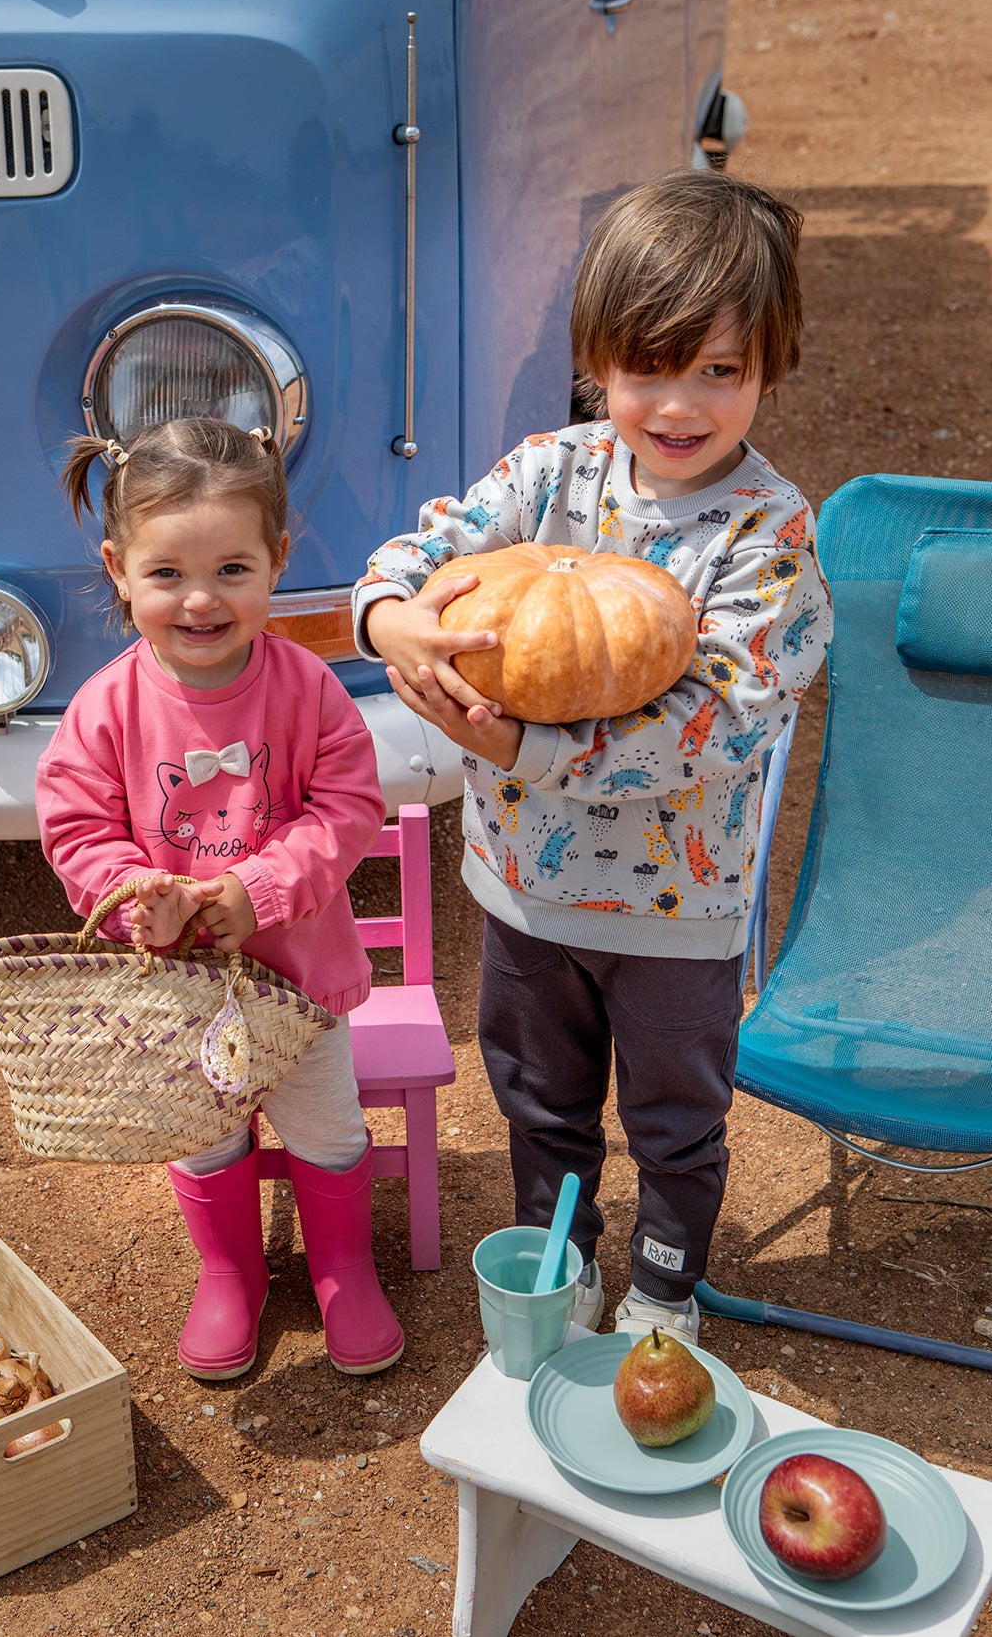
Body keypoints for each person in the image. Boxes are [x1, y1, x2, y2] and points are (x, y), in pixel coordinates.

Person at [353, 169, 832, 1344]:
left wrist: (521, 744)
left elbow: (714, 719)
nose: (677, 403)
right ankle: (555, 1271)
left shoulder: (768, 536)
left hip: (678, 910)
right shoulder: (546, 473)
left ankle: (664, 1293)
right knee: (537, 1100)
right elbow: (424, 550)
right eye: (645, 367)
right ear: (596, 360)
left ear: (768, 365)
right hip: (523, 889)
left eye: (717, 370)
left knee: (673, 1116)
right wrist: (389, 616)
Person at [36, 417, 403, 1380]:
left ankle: (340, 1269)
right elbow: (76, 828)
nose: (200, 600)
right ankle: (231, 1270)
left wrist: (260, 888)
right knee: (207, 1138)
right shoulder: (105, 707)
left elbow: (348, 808)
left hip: (302, 982)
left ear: (278, 559)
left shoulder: (310, 688)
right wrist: (129, 898)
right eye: (166, 575)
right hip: (181, 996)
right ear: (119, 569)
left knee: (327, 1130)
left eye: (232, 569)